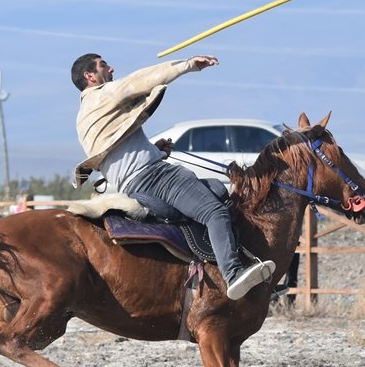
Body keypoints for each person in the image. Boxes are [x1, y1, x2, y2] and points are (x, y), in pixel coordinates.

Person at [71, 53, 274, 301]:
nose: (111, 68)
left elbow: (118, 153)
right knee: (215, 212)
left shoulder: (84, 116)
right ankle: (232, 274)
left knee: (216, 188)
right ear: (89, 76)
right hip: (156, 177)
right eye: (103, 65)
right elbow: (141, 79)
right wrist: (189, 65)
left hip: (134, 186)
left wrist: (155, 150)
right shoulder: (104, 94)